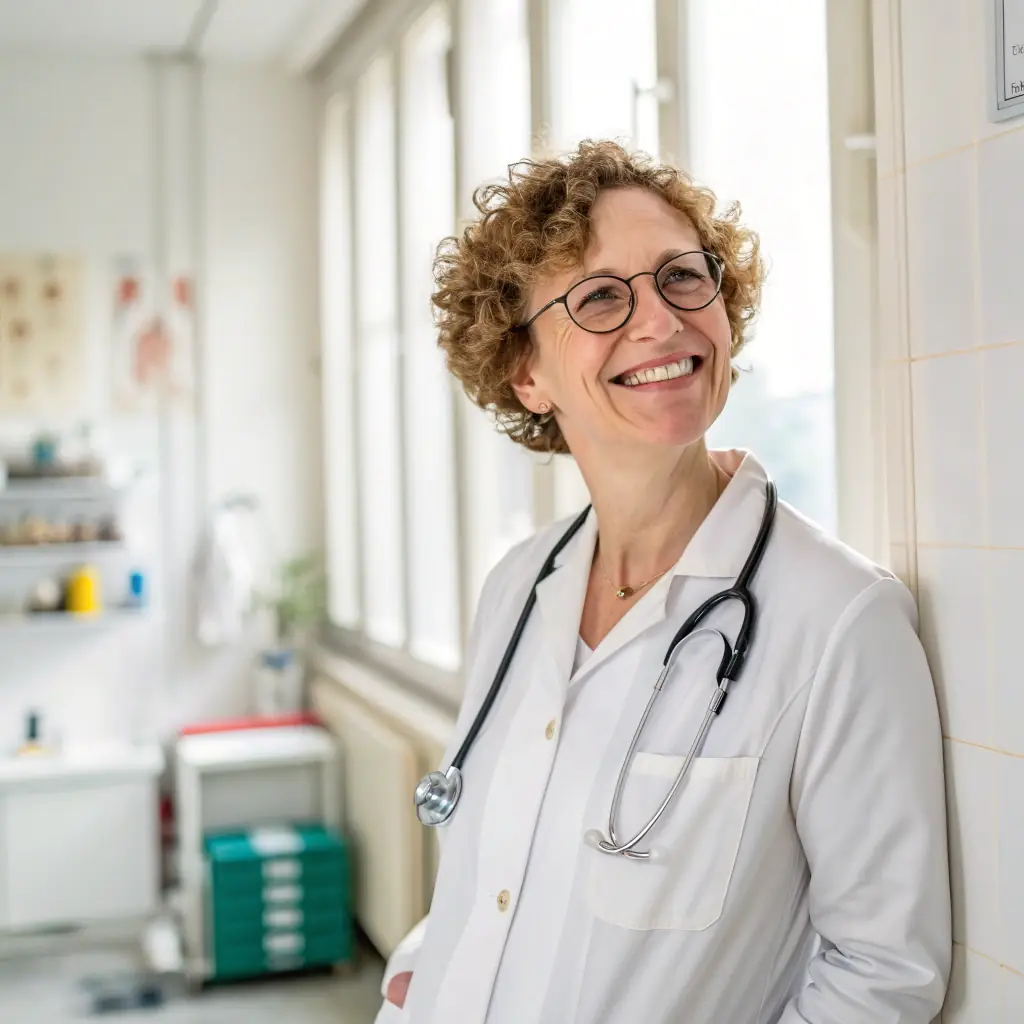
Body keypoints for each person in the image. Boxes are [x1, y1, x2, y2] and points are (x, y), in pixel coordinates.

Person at [374, 140, 951, 1023]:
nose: (660, 321)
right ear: (526, 374)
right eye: (601, 296)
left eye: (683, 277)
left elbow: (882, 974)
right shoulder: (518, 589)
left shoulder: (839, 620)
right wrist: (420, 971)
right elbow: (500, 873)